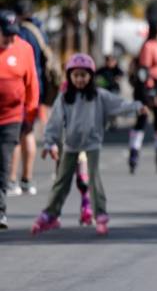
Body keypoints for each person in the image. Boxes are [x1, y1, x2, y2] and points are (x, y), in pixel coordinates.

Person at [33, 54, 146, 236]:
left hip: (92, 143)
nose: (79, 79)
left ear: (91, 76)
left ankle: (100, 215)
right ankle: (51, 214)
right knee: (62, 180)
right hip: (70, 144)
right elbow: (54, 122)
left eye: (83, 75)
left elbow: (118, 104)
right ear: (69, 76)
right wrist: (49, 143)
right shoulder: (64, 97)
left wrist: (136, 106)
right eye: (75, 75)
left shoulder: (99, 96)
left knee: (93, 179)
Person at [0, 10, 40, 229]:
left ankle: (0, 210)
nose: (10, 39)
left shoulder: (24, 48)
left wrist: (31, 112)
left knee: (3, 163)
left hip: (11, 117)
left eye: (13, 34)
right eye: (5, 34)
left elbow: (32, 82)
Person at [9, 0, 51, 197]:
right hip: (37, 87)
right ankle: (27, 179)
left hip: (21, 88)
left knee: (15, 135)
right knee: (29, 133)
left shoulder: (20, 33)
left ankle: (11, 180)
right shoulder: (39, 30)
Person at [130, 21, 157, 173]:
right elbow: (144, 71)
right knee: (142, 120)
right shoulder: (148, 46)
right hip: (148, 87)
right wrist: (151, 92)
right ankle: (134, 153)